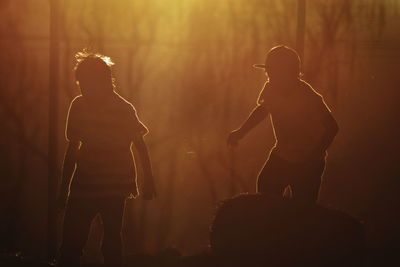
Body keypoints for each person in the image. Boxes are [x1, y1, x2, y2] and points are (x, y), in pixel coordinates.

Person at [57, 51, 156, 267]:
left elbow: (140, 145)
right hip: (84, 183)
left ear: (103, 81)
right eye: (81, 83)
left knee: (111, 241)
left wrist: (148, 180)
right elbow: (72, 148)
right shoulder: (79, 105)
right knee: (71, 242)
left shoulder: (123, 109)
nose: (83, 88)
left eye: (87, 83)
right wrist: (64, 188)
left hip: (115, 184)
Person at [227, 45, 338, 203]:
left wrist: (314, 155)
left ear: (290, 73)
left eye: (274, 72)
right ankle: (272, 224)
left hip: (309, 161)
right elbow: (263, 110)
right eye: (269, 72)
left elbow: (332, 127)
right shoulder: (271, 89)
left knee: (303, 208)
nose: (270, 77)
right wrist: (241, 132)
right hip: (283, 154)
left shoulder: (308, 96)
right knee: (265, 186)